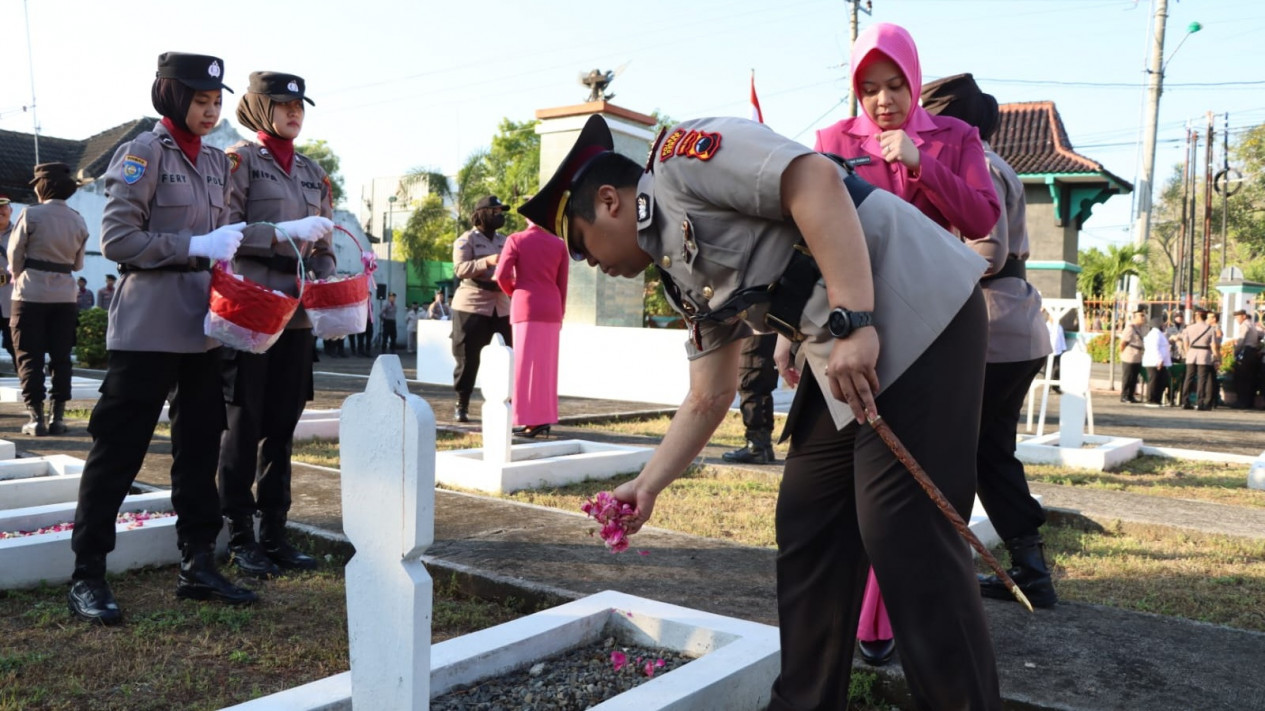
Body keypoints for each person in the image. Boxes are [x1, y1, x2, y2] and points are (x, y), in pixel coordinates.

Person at [522, 114, 1000, 709]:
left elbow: (814, 181)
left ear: (611, 201)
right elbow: (708, 395)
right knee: (809, 520)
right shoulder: (674, 276)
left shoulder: (681, 157)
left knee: (904, 533)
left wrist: (855, 316)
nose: (587, 263)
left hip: (919, 308)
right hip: (848, 352)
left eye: (578, 243)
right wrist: (647, 485)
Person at [815, 23, 1001, 667]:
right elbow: (810, 236)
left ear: (915, 81)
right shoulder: (833, 142)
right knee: (868, 479)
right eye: (869, 89)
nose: (883, 100)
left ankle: (888, 617)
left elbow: (982, 219)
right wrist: (797, 333)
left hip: (940, 317)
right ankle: (856, 620)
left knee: (919, 478)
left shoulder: (956, 138)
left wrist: (923, 165)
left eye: (895, 85)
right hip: (862, 323)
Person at [68, 52, 254, 625]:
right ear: (172, 97)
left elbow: (227, 234)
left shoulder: (219, 164)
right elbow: (119, 240)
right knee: (118, 450)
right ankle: (87, 575)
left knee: (199, 451)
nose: (211, 110)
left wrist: (283, 235)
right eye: (201, 100)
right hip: (150, 327)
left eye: (217, 102)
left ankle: (197, 563)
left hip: (203, 328)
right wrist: (192, 248)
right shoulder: (140, 154)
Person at [922, 73, 1058, 609]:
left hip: (990, 327)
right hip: (1014, 326)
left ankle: (941, 567)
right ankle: (1030, 569)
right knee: (990, 453)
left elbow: (987, 252)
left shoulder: (975, 164)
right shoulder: (990, 161)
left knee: (951, 449)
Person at [216, 70, 335, 578]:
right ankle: (240, 535)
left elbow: (325, 244)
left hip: (298, 315)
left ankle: (275, 533)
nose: (294, 113)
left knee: (282, 428)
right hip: (252, 308)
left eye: (299, 106)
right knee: (243, 425)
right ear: (259, 108)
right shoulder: (238, 163)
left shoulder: (314, 172)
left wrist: (326, 275)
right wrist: (281, 234)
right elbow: (225, 230)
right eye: (283, 105)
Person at [7, 162, 90, 437]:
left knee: (29, 355)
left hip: (30, 292)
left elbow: (14, 256)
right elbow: (78, 264)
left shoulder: (31, 214)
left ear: (41, 188)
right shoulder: (78, 219)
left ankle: (36, 419)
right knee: (61, 357)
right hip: (65, 295)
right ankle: (58, 418)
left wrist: (21, 274)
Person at [493, 215, 568, 438]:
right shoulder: (559, 244)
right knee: (546, 367)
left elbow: (501, 275)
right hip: (552, 308)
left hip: (526, 306)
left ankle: (530, 420)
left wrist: (514, 290)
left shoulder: (516, 240)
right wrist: (560, 312)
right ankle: (543, 419)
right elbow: (562, 283)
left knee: (524, 367)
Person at [450, 196, 512, 422]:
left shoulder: (505, 241)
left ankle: (508, 403)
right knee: (467, 358)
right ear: (482, 213)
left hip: (501, 304)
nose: (500, 215)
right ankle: (462, 403)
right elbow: (460, 269)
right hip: (472, 303)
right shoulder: (466, 240)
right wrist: (487, 261)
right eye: (495, 211)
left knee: (507, 355)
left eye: (500, 211)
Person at [722, 333, 779, 464]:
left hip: (754, 337)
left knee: (750, 389)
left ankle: (756, 447)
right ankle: (764, 445)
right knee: (763, 390)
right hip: (770, 337)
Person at [1180, 309, 1218, 411]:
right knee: (1202, 379)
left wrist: (1188, 352)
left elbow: (1185, 343)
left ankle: (1184, 401)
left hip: (1192, 353)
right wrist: (1216, 357)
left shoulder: (1189, 328)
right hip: (1204, 354)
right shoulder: (1210, 329)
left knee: (1189, 378)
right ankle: (1200, 402)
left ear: (1196, 316)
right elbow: (1213, 345)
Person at [0, 195, 17, 372]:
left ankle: (25, 382)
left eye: (4, 207)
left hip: (11, 298)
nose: (0, 211)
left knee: (14, 343)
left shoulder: (20, 233)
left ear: (11, 211)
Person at [1231, 310, 1261, 409]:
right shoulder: (1252, 325)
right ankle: (1249, 401)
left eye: (1237, 317)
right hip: (1253, 352)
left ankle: (1242, 402)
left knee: (1242, 378)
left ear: (1244, 316)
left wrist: (1235, 352)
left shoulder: (1244, 325)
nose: (1236, 320)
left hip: (1246, 352)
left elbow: (1240, 340)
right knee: (1250, 378)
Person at [1142, 317, 1172, 407]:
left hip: (1159, 362)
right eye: (1162, 324)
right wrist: (1159, 360)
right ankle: (1151, 400)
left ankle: (1157, 400)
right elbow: (1154, 348)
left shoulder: (1159, 333)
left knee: (1161, 381)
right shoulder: (1154, 334)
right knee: (1154, 381)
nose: (1163, 325)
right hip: (1154, 362)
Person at [1118, 310, 1147, 403]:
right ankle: (1124, 396)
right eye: (1141, 316)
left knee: (1134, 377)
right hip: (1129, 356)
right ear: (1135, 317)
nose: (1143, 317)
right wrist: (1123, 354)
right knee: (1128, 377)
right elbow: (1122, 343)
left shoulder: (1140, 328)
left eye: (1144, 315)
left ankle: (1131, 395)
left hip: (1137, 356)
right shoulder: (1130, 328)